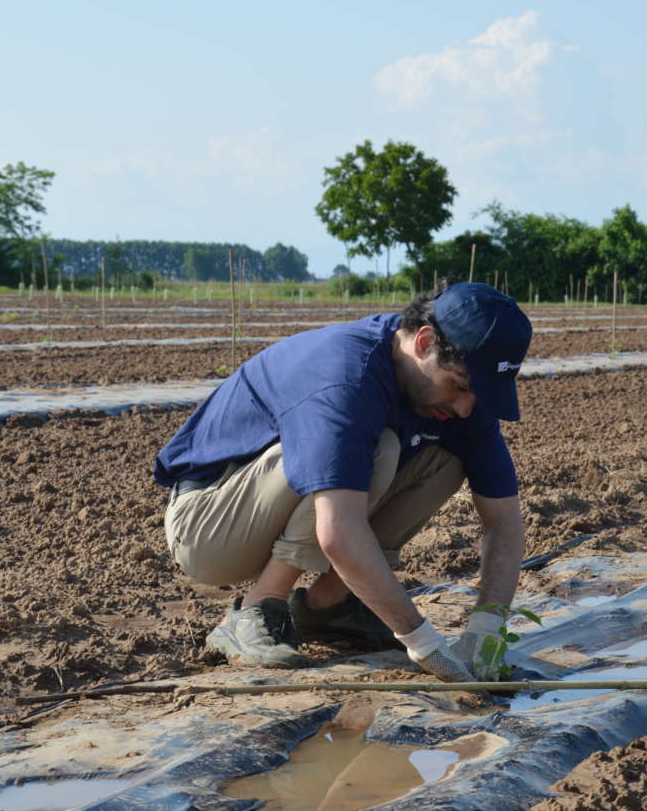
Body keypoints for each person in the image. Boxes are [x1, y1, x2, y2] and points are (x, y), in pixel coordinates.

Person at [152, 282, 531, 681]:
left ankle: (329, 605)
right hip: (209, 527)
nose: (465, 406)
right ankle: (257, 608)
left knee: (448, 460)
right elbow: (338, 530)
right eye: (458, 385)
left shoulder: (461, 405)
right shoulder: (347, 375)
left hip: (268, 512)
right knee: (377, 450)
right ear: (424, 342)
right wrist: (424, 642)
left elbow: (503, 520)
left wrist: (487, 631)